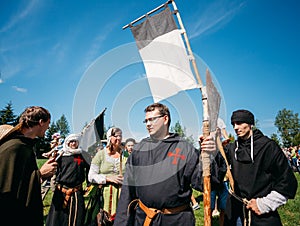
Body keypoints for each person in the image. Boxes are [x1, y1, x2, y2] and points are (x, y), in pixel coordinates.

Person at [114, 103, 216, 226]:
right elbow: (127, 191)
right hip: (144, 219)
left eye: (152, 119)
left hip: (177, 220)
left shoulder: (184, 148)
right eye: (146, 120)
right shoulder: (139, 149)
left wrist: (210, 156)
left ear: (165, 119)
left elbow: (203, 183)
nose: (148, 124)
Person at [224, 109, 298, 226]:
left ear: (250, 124)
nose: (235, 128)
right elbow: (215, 168)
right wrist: (209, 149)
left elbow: (287, 181)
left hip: (260, 212)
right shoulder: (232, 148)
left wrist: (264, 204)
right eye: (233, 124)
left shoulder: (268, 147)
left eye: (239, 123)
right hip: (236, 210)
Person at [0, 106, 57, 226]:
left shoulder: (24, 146)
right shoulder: (14, 147)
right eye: (48, 123)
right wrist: (40, 174)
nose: (49, 127)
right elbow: (7, 189)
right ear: (41, 122)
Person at [85, 127, 127, 225]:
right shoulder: (100, 155)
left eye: (120, 135)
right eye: (115, 135)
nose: (118, 138)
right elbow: (91, 176)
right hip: (103, 195)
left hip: (122, 195)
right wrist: (108, 178)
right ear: (109, 137)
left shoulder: (126, 155)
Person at [46, 133, 90, 226]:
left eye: (75, 141)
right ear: (67, 143)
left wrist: (89, 184)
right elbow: (53, 169)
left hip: (76, 191)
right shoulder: (61, 155)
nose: (73, 144)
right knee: (58, 217)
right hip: (61, 190)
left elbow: (89, 169)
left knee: (77, 217)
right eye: (71, 142)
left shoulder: (82, 155)